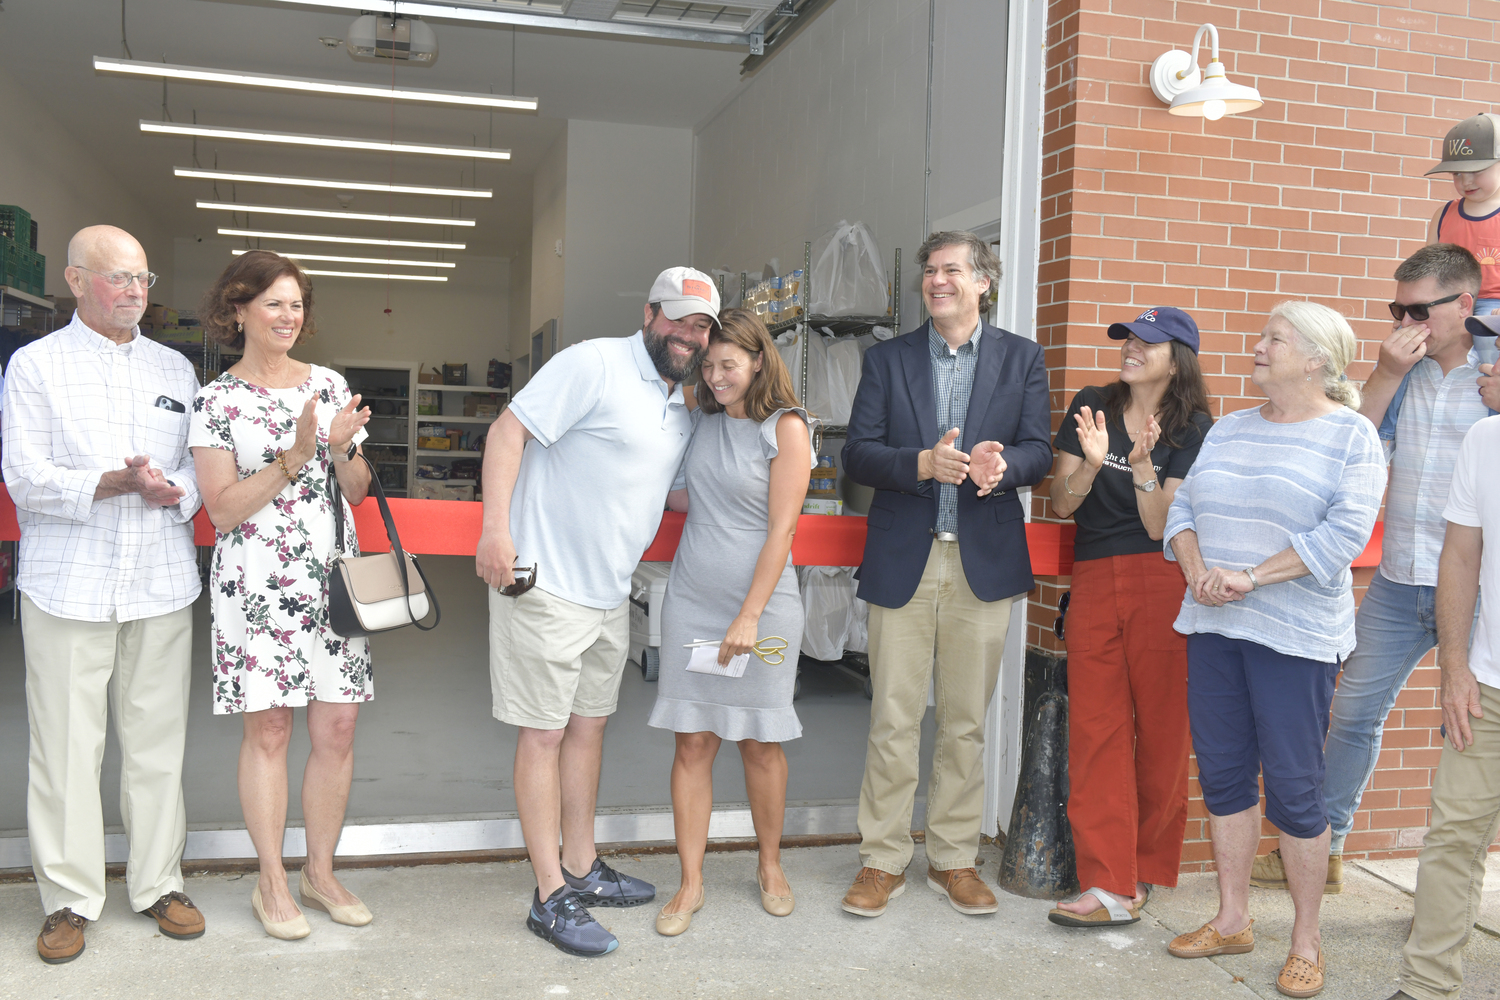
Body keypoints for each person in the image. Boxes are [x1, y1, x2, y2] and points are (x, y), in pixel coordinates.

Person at [476, 267, 717, 957]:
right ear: (649, 313)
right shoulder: (592, 363)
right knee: (544, 737)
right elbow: (507, 433)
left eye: (701, 325)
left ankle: (582, 867)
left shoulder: (681, 403)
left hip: (610, 592)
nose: (688, 334)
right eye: (677, 319)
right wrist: (497, 530)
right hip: (544, 585)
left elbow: (668, 494)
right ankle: (550, 895)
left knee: (588, 730)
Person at [1253, 244, 1493, 895]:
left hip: (1473, 593)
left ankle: (1448, 890)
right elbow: (1350, 449)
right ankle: (1324, 851)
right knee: (1352, 712)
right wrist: (1386, 374)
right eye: (1397, 308)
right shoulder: (1405, 372)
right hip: (1397, 580)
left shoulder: (1494, 372)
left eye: (1419, 310)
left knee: (1466, 730)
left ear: (1465, 305)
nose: (1405, 323)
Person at [1163, 301, 1384, 1000]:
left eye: (1273, 339)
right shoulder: (1229, 428)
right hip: (1214, 629)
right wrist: (1197, 566)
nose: (1256, 346)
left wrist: (1252, 577)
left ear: (1317, 358)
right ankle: (1231, 919)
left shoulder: (1352, 437)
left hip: (1295, 639)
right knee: (1225, 778)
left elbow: (1343, 537)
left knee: (1294, 789)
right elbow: (1183, 510)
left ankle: (1306, 941)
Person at [1, 226, 206, 963]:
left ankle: (159, 884)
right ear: (76, 280)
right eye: (118, 278)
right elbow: (23, 475)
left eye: (144, 280)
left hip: (159, 582)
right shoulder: (35, 367)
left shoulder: (175, 370)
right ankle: (68, 898)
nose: (134, 292)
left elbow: (194, 473)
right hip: (68, 586)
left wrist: (167, 488)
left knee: (156, 745)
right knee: (64, 749)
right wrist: (108, 483)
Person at [840, 230, 1051, 918]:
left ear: (982, 281)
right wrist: (922, 465)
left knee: (964, 721)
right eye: (930, 270)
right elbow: (860, 455)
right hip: (907, 555)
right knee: (893, 717)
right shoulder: (888, 359)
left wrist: (1004, 468)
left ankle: (955, 859)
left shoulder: (1022, 358)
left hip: (981, 564)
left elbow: (1039, 450)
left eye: (952, 270)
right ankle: (883, 859)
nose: (938, 280)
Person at [189, 250, 375, 940]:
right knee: (269, 728)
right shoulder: (217, 401)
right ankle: (271, 880)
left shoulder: (328, 383)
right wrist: (295, 455)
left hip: (330, 577)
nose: (288, 316)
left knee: (338, 727)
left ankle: (319, 872)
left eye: (296, 304)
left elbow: (356, 492)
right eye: (272, 303)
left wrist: (338, 448)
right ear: (237, 310)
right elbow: (223, 511)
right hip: (258, 584)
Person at [646, 308, 814, 935]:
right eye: (708, 365)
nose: (715, 377)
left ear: (758, 362)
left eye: (728, 365)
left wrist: (748, 616)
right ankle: (689, 884)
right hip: (692, 599)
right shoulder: (701, 423)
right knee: (692, 741)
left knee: (760, 743)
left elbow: (782, 528)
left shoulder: (786, 428)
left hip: (764, 612)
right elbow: (686, 496)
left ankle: (770, 865)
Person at [1045, 306, 1213, 928]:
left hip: (1161, 580)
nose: (1133, 348)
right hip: (1093, 577)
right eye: (1129, 339)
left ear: (1179, 358)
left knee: (1164, 734)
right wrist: (1091, 462)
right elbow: (1062, 505)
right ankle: (1108, 882)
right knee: (1096, 730)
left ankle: (1143, 866)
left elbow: (1159, 526)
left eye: (1149, 342)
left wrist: (1142, 463)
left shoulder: (1195, 428)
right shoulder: (1090, 403)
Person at [1377, 411, 1500, 1000]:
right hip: (1489, 689)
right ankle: (1425, 985)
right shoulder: (1485, 438)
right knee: (1452, 835)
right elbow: (1459, 556)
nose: (1491, 364)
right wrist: (1454, 668)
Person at [1425, 113, 1500, 322]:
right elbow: (1427, 269)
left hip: (1494, 304)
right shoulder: (1443, 214)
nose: (1466, 181)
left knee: (1488, 342)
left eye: (1477, 170)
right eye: (1457, 173)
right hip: (1448, 302)